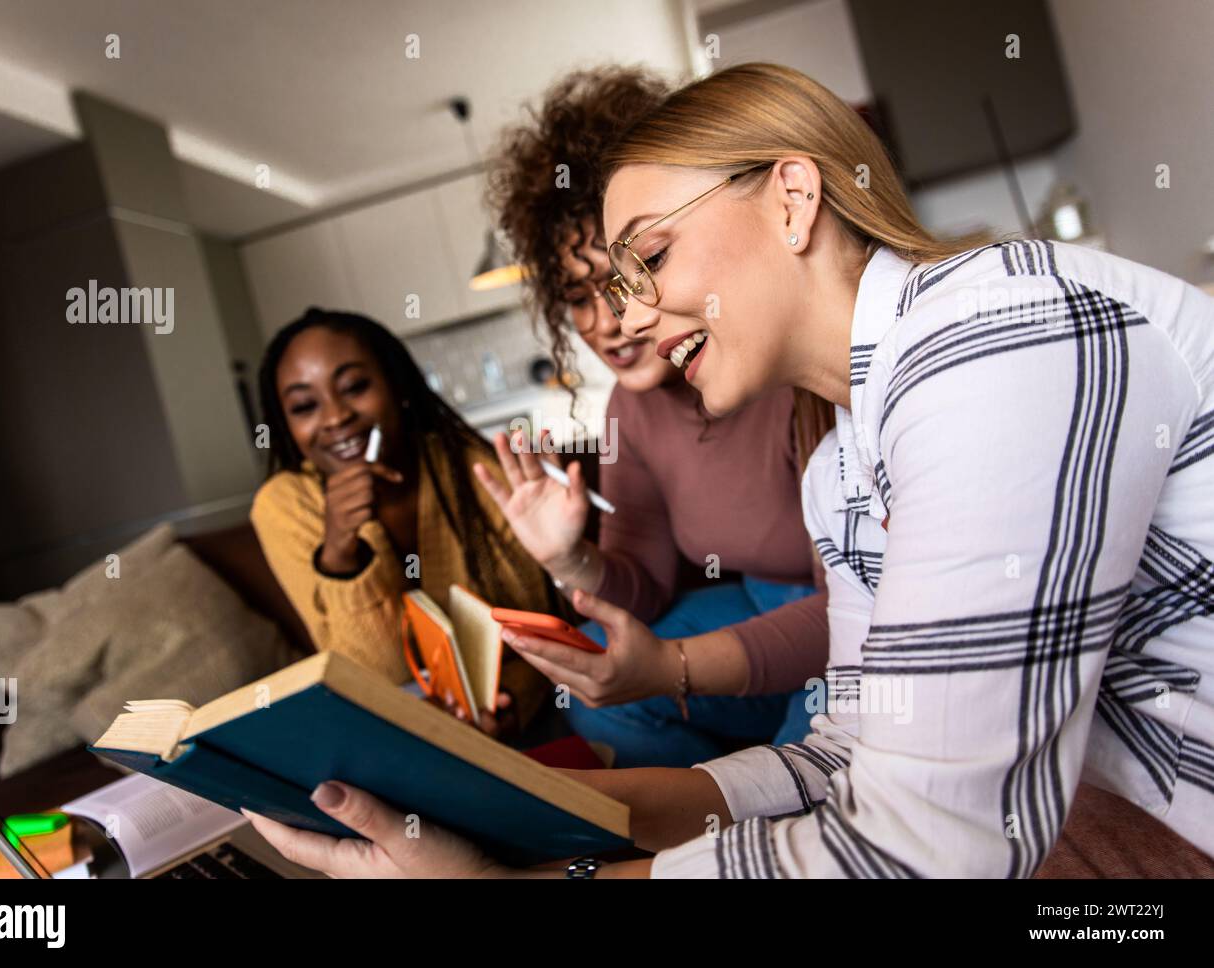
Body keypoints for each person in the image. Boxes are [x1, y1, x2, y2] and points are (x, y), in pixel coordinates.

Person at [249, 64, 1214, 877]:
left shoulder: (994, 340)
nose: (627, 318)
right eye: (607, 290)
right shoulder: (843, 466)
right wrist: (563, 809)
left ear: (794, 199)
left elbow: (928, 850)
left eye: (650, 258)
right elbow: (846, 751)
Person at [474, 65, 832, 768]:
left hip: (840, 614)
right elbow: (644, 582)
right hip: (756, 605)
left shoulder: (791, 362)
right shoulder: (630, 409)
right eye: (580, 295)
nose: (615, 319)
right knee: (600, 689)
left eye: (637, 269)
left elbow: (856, 611)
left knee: (816, 757)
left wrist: (675, 668)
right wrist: (569, 558)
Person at [250, 308, 557, 736]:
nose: (336, 417)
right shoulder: (284, 505)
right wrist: (342, 549)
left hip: (520, 720)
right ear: (287, 426)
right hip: (389, 733)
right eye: (305, 406)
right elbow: (381, 674)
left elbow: (534, 627)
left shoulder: (476, 470)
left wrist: (506, 708)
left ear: (398, 387)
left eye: (355, 387)